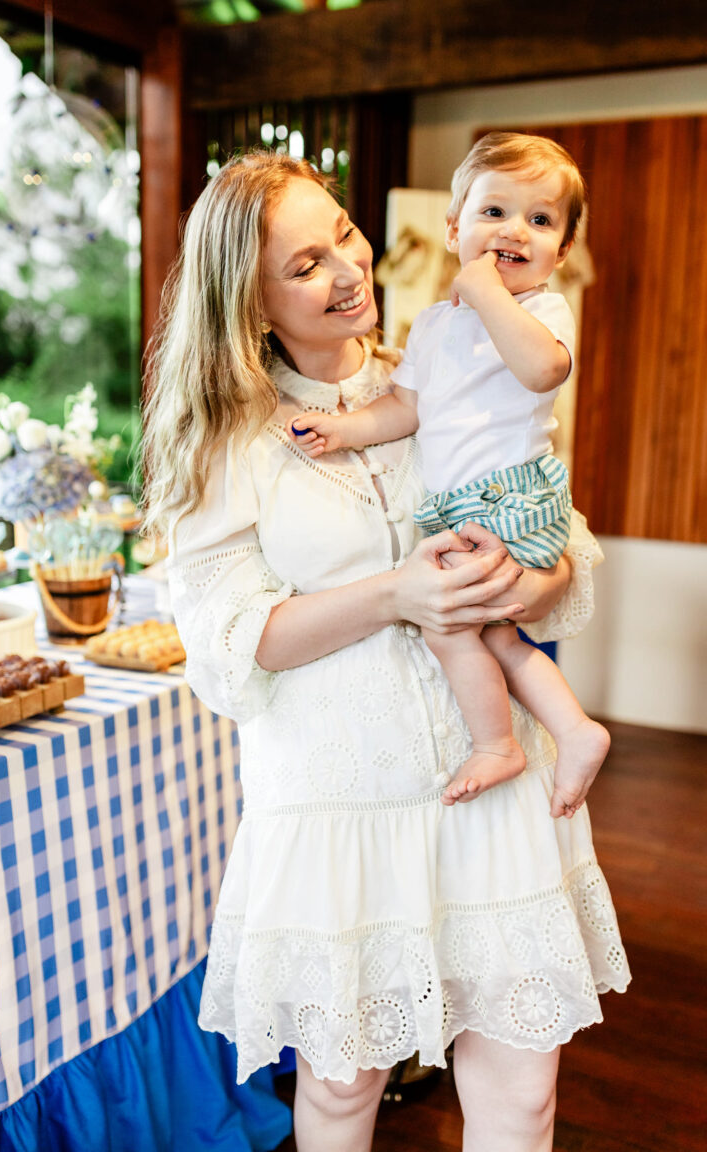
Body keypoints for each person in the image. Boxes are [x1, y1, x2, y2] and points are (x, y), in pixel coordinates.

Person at [142, 150, 630, 1152]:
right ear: (250, 301)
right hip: (340, 804)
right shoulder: (224, 440)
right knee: (340, 1092)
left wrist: (536, 582)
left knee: (524, 1095)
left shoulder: (444, 360)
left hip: (489, 790)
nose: (348, 270)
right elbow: (234, 644)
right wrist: (395, 594)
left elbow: (560, 531)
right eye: (305, 264)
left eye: (345, 236)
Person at [286, 132, 609, 816]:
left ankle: (498, 744)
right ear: (455, 228)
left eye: (540, 220)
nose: (514, 230)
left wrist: (486, 294)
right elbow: (405, 408)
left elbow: (543, 371)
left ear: (562, 252)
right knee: (490, 634)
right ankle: (574, 728)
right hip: (464, 507)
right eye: (494, 212)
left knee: (450, 625)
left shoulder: (541, 310)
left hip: (511, 498)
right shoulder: (434, 325)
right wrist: (344, 429)